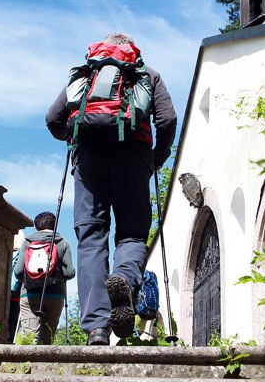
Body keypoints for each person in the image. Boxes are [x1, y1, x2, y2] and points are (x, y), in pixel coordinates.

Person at [45, 33, 177, 345]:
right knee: (131, 234)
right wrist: (157, 158)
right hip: (134, 156)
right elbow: (167, 119)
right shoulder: (146, 75)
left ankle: (97, 328)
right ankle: (125, 283)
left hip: (89, 159)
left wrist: (74, 136)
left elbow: (53, 119)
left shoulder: (86, 74)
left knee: (91, 239)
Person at [13, 212, 76, 344]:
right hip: (55, 295)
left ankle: (26, 363)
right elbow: (70, 272)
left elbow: (18, 271)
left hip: (30, 293)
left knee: (29, 336)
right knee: (47, 336)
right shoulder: (62, 243)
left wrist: (26, 280)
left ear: (36, 226)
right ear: (54, 225)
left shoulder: (27, 243)